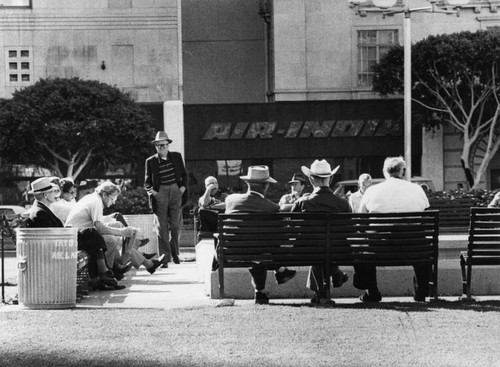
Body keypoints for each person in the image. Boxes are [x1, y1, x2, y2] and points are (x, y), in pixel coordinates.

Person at [357, 156, 430, 303]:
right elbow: (425, 219)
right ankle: (422, 290)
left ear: (385, 172)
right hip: (413, 249)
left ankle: (372, 291)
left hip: (379, 250)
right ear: (402, 171)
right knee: (419, 240)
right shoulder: (416, 189)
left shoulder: (371, 191)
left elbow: (361, 222)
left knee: (365, 246)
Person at [66, 182, 165, 288]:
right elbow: (100, 228)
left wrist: (123, 231)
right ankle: (109, 271)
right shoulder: (96, 202)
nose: (114, 202)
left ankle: (125, 262)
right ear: (104, 195)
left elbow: (98, 226)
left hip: (83, 234)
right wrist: (123, 232)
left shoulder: (94, 199)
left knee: (117, 226)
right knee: (111, 240)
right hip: (77, 237)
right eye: (113, 198)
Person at [225, 165, 296, 305]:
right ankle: (279, 271)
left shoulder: (231, 200)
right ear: (266, 186)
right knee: (262, 248)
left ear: (247, 183)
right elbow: (279, 237)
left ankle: (262, 290)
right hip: (261, 251)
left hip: (232, 252)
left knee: (258, 248)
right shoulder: (272, 207)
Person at [291, 159, 351, 304]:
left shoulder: (302, 203)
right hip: (339, 250)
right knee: (326, 246)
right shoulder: (343, 203)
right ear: (330, 179)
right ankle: (335, 274)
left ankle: (321, 293)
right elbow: (349, 230)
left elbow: (291, 229)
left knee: (317, 248)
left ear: (311, 179)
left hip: (308, 250)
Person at [144, 131, 188, 267]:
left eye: (164, 145)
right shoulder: (150, 161)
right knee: (161, 227)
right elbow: (147, 182)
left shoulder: (176, 156)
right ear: (156, 147)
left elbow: (185, 175)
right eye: (158, 146)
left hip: (176, 191)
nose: (161, 148)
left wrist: (182, 188)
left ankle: (175, 253)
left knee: (176, 226)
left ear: (168, 145)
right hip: (160, 193)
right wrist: (154, 193)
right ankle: (165, 258)